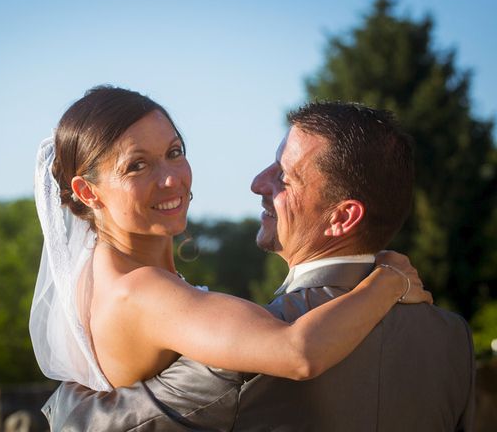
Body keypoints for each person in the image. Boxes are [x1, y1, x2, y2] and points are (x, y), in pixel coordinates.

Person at [41, 100, 475, 431]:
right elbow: (297, 351)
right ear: (86, 191)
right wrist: (389, 279)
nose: (256, 183)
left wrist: (68, 406)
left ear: (342, 216)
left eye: (175, 151)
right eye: (137, 165)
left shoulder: (237, 358)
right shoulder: (453, 337)